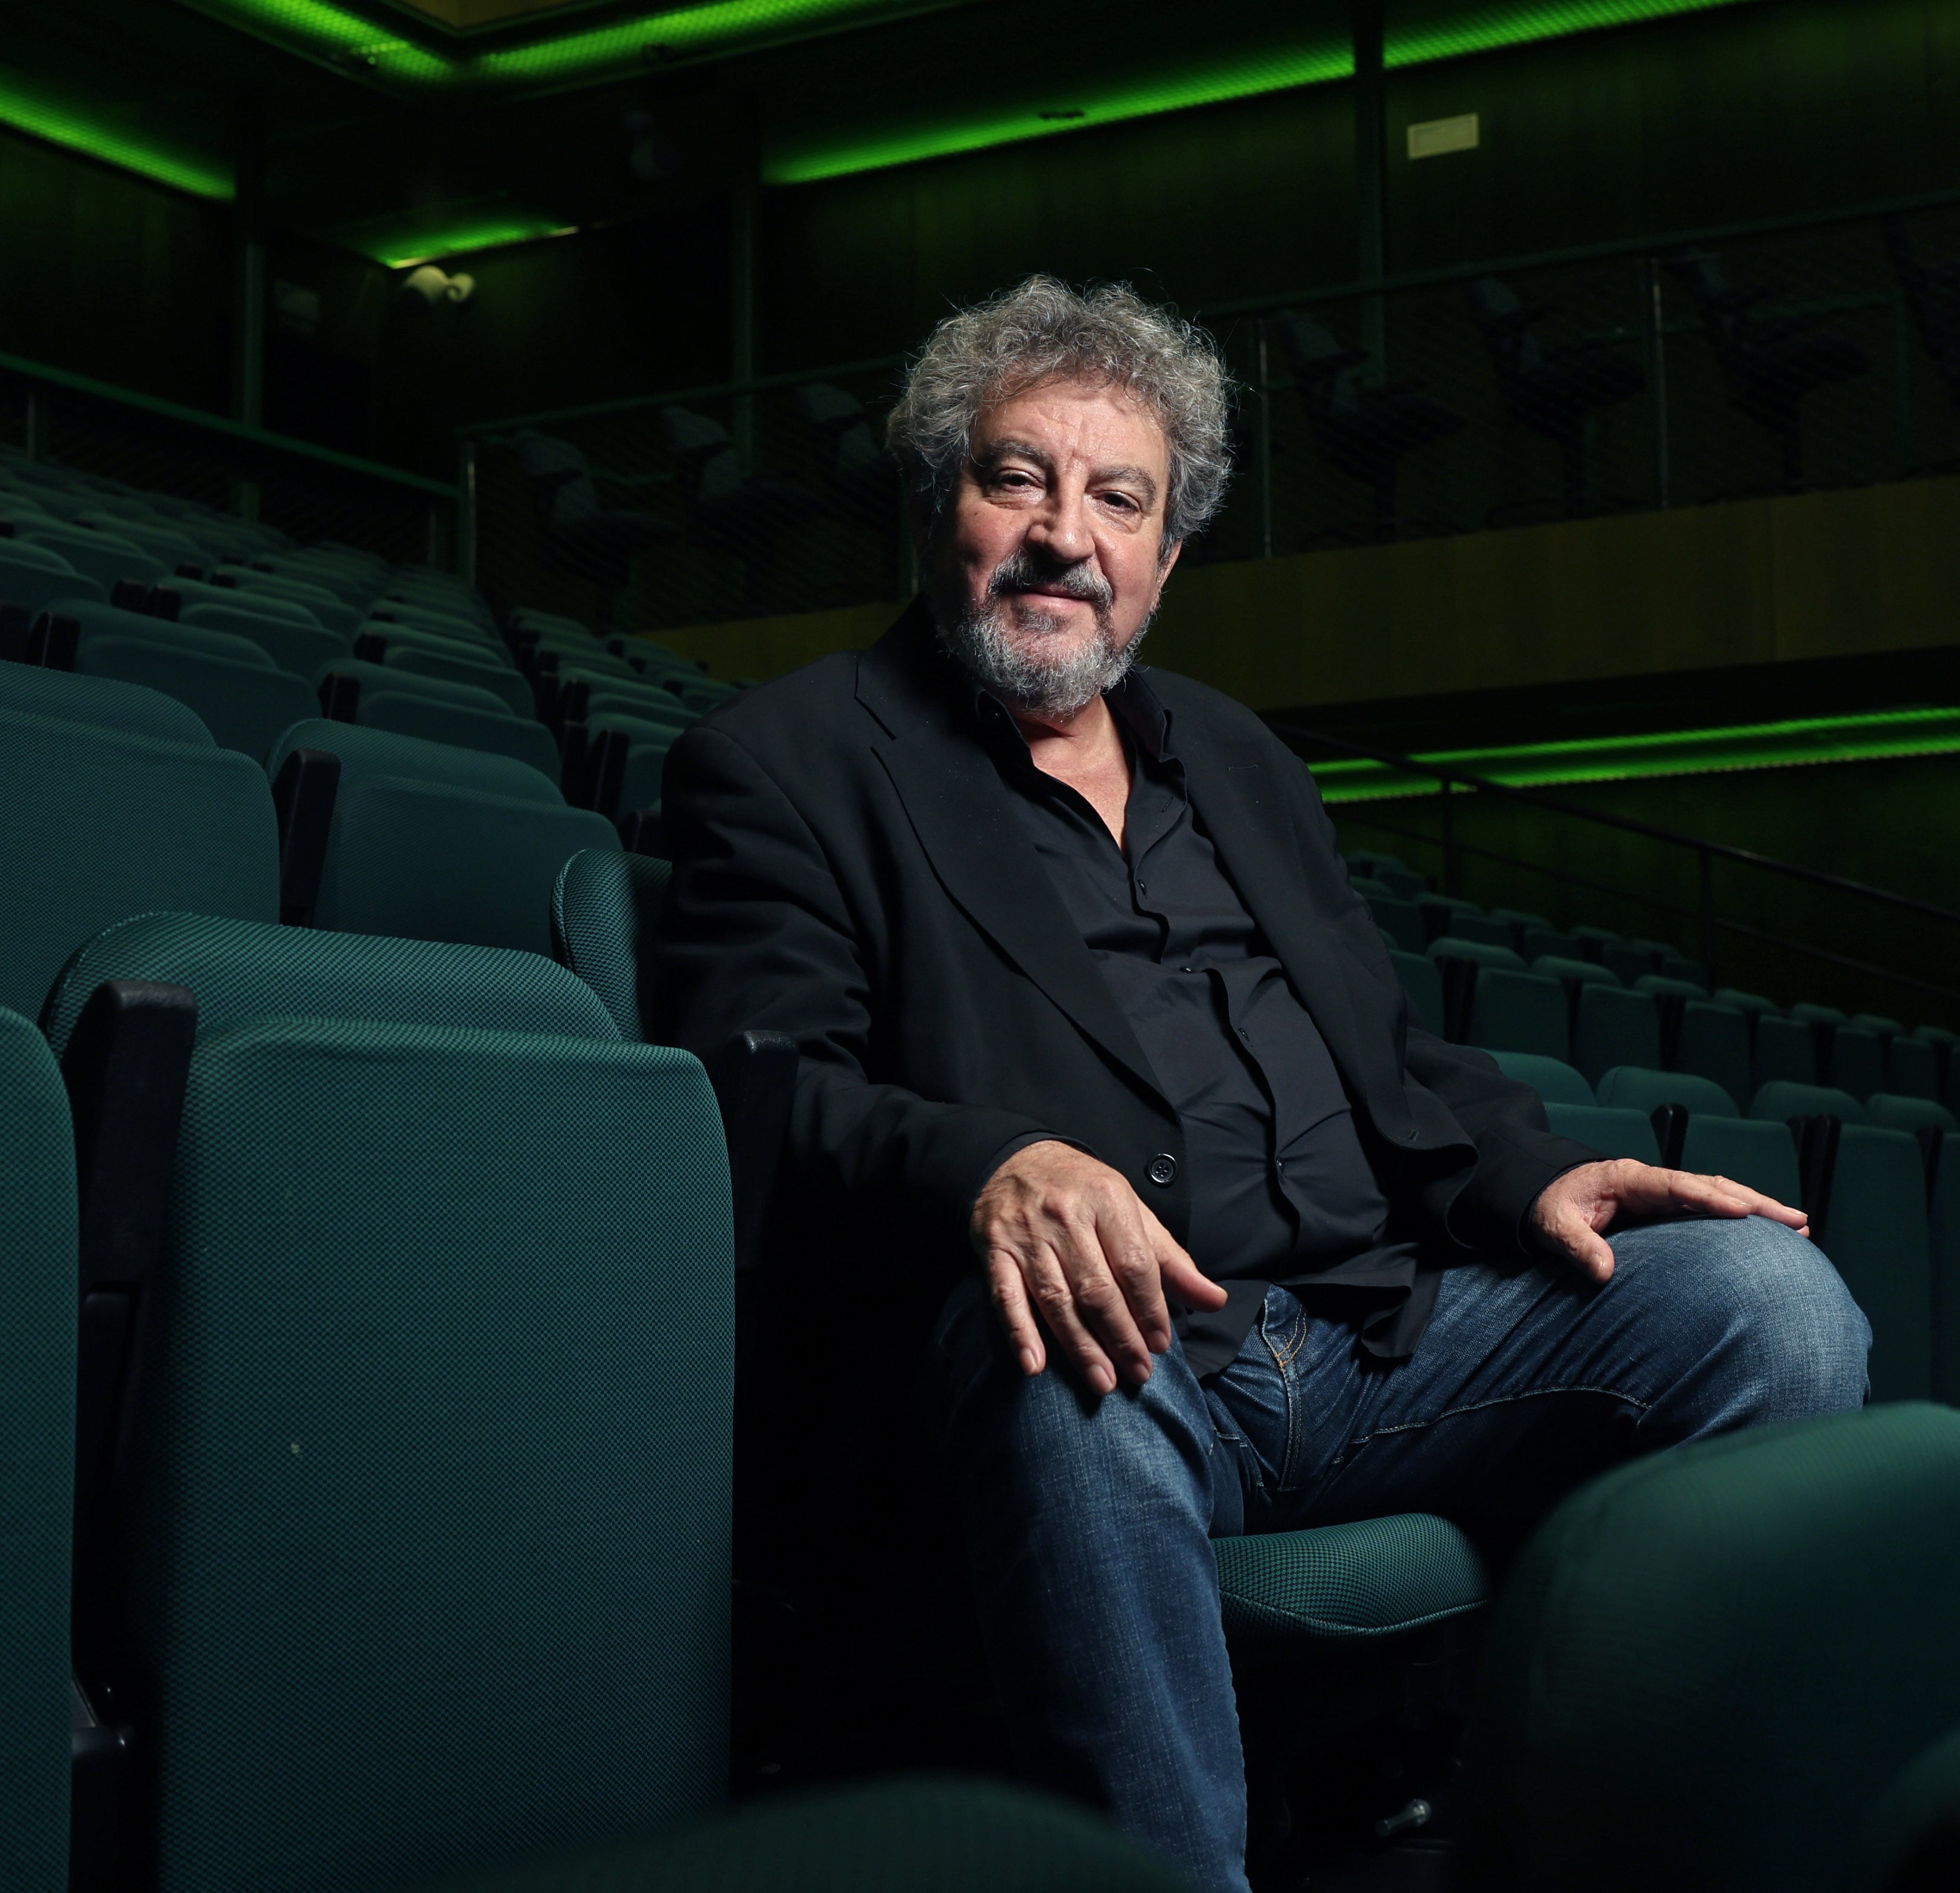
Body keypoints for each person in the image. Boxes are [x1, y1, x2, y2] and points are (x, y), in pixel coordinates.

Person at [654, 275, 1869, 1892]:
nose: (1062, 534)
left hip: (1381, 1337)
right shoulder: (787, 757)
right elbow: (754, 1087)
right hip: (1128, 1346)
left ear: (1164, 554)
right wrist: (991, 1163)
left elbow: (1387, 1047)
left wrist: (1530, 1174)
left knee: (1772, 1303)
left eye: (1118, 498)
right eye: (1016, 477)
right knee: (1060, 1360)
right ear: (936, 498)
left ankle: (1605, 1840)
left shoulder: (1234, 755)